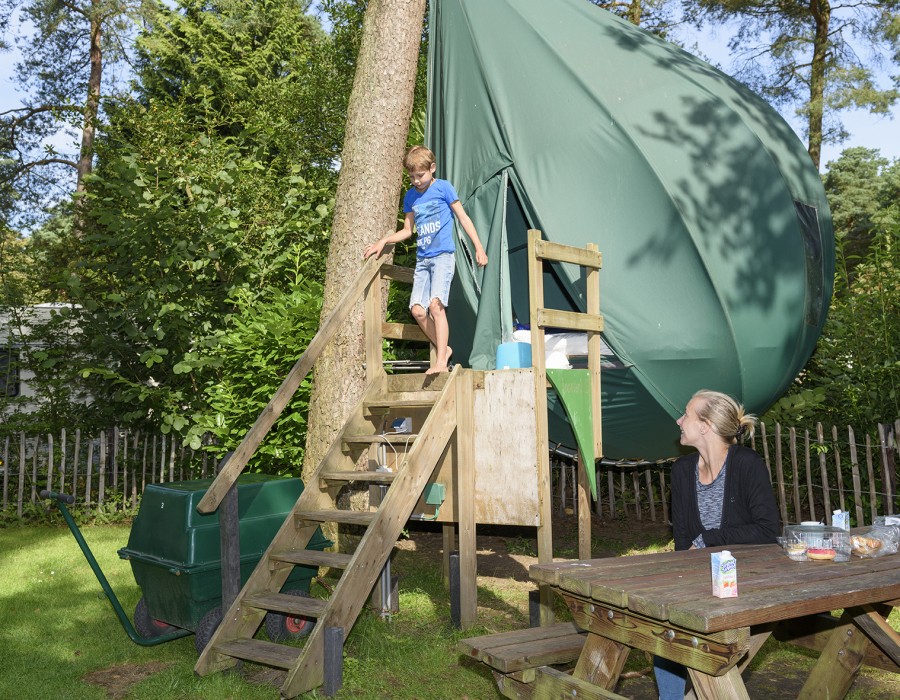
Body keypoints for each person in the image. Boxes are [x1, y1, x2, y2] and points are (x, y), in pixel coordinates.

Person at [655, 389, 779, 700]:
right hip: (699, 578)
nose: (679, 420)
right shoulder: (682, 471)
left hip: (746, 582)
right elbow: (683, 540)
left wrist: (710, 538)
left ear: (706, 425)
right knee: (662, 622)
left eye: (687, 414)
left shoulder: (747, 464)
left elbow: (767, 530)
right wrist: (681, 583)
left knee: (710, 644)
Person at [364, 145, 487, 374]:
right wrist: (384, 241)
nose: (416, 181)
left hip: (442, 257)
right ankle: (445, 349)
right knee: (418, 311)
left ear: (432, 168)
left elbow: (463, 218)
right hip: (423, 260)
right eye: (411, 177)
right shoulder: (411, 196)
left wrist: (479, 247)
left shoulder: (443, 188)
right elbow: (407, 230)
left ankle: (441, 361)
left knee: (435, 305)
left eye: (420, 176)